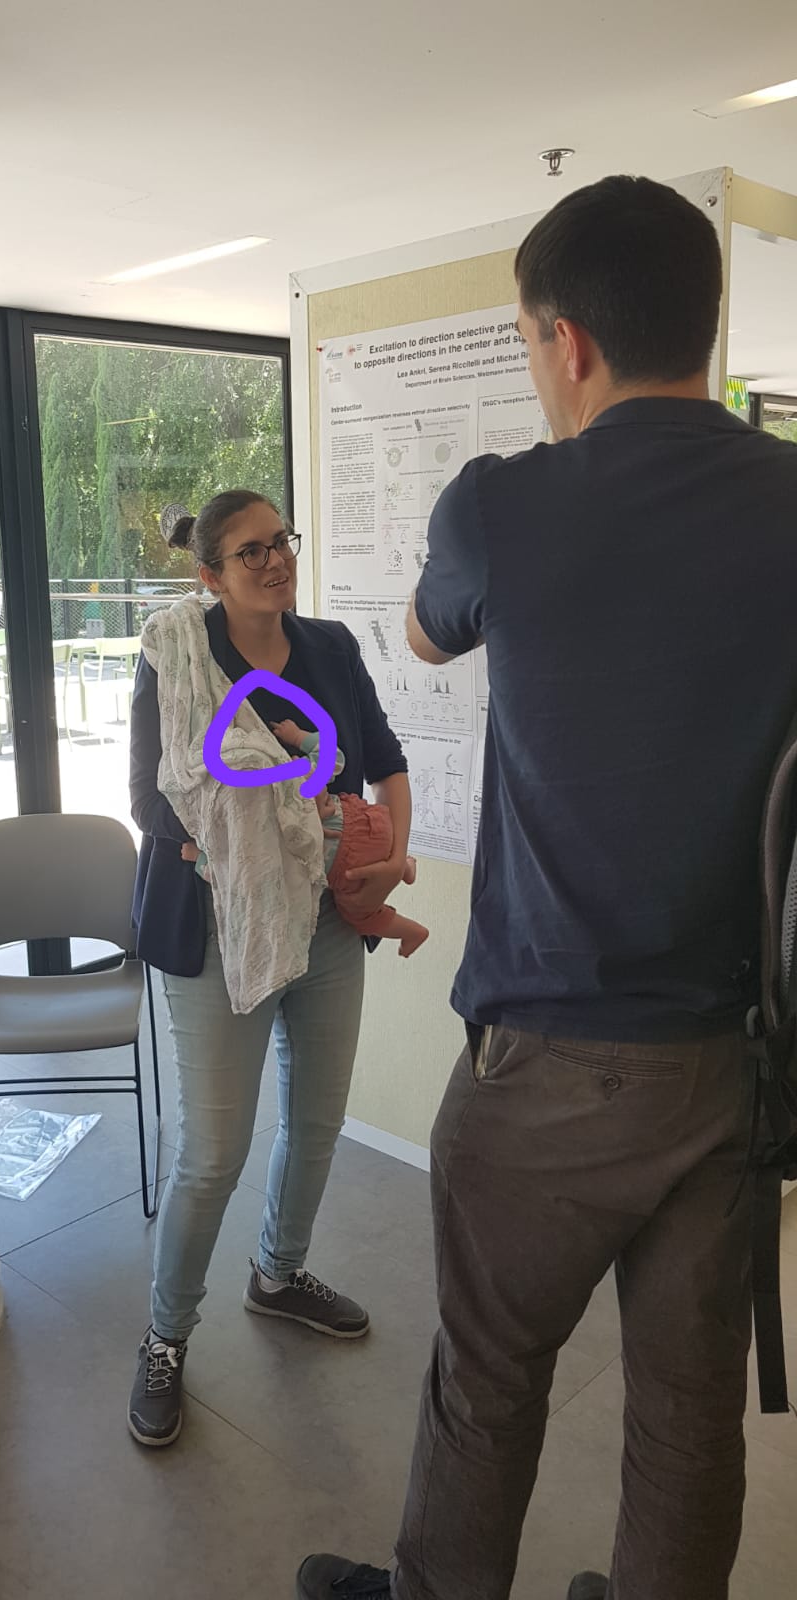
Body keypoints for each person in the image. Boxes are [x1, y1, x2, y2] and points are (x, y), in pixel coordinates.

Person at [297, 176, 797, 1600]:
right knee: (688, 1420)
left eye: (527, 341)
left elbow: (423, 636)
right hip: (735, 1056)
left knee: (489, 1382)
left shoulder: (504, 505)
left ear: (566, 340)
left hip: (550, 1058)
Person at [127, 491, 413, 1448]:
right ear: (209, 574)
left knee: (317, 1123)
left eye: (281, 541)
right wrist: (277, 816)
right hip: (220, 924)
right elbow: (154, 802)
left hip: (326, 919)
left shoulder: (330, 648)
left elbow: (384, 762)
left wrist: (386, 855)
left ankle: (278, 1274)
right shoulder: (175, 655)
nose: (275, 561)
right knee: (213, 1154)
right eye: (251, 552)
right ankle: (166, 1336)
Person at [184, 716, 428, 956]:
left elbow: (231, 871)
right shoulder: (299, 776)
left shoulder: (256, 831)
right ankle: (403, 866)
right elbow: (333, 756)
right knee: (377, 868)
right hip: (372, 827)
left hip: (346, 865)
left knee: (360, 915)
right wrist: (298, 737)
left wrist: (198, 857)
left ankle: (412, 931)